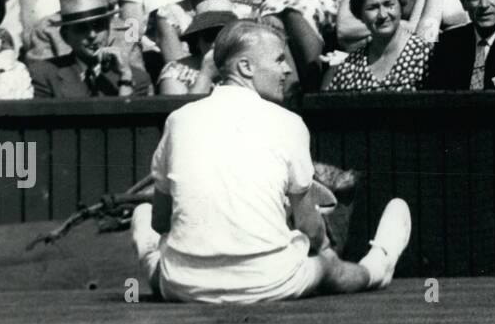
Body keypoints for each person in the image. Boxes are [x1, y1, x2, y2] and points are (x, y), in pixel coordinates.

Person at [130, 20, 412, 303]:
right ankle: (377, 267)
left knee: (143, 215)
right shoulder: (289, 122)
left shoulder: (178, 119)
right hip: (271, 282)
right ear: (245, 67)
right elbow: (310, 227)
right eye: (279, 59)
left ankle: (151, 255)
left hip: (183, 286)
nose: (287, 69)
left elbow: (160, 221)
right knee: (327, 266)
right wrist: (327, 255)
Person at [26, 0, 146, 82]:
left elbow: (140, 81)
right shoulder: (48, 28)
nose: (105, 2)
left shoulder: (128, 30)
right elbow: (43, 78)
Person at [29, 0, 154, 99]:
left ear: (108, 30)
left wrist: (125, 79)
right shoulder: (45, 75)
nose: (92, 35)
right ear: (65, 37)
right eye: (81, 28)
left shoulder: (137, 78)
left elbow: (127, 118)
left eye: (98, 26)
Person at [325, 0, 433, 92]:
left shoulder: (425, 55)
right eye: (372, 7)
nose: (382, 14)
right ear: (360, 15)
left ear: (400, 7)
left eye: (389, 4)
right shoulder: (349, 67)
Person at [158, 10, 237, 97]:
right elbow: (176, 105)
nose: (216, 43)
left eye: (224, 37)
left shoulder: (245, 67)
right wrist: (206, 74)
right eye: (210, 36)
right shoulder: (175, 71)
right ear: (197, 42)